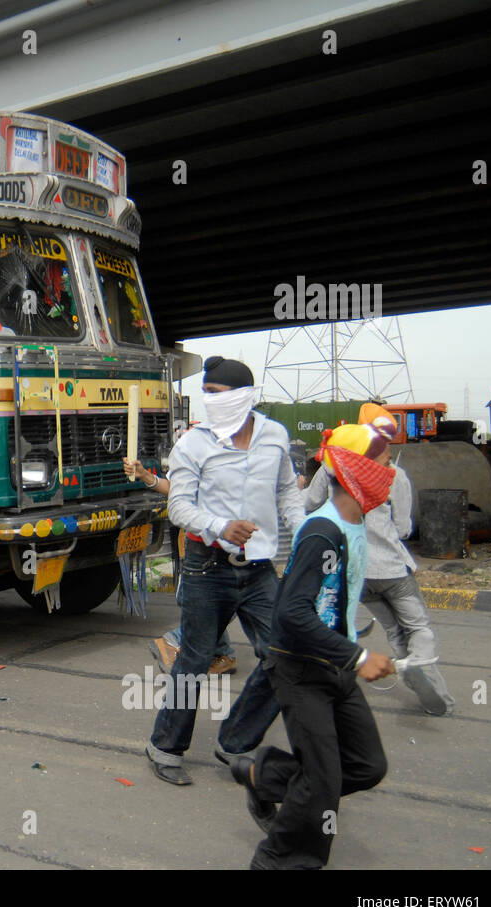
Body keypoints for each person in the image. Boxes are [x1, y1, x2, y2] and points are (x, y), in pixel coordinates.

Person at [238, 423, 394, 869]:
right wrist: (358, 657)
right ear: (354, 470)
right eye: (382, 465)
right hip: (302, 668)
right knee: (323, 784)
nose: (390, 474)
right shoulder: (321, 532)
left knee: (366, 766)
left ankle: (263, 776)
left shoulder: (356, 520)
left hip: (334, 662)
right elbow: (291, 614)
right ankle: (279, 860)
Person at [145, 357, 305, 786]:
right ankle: (165, 747)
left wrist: (307, 531)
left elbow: (287, 492)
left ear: (244, 396)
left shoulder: (274, 436)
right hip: (206, 567)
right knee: (195, 660)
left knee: (283, 655)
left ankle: (235, 740)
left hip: (258, 571)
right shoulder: (193, 444)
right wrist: (221, 527)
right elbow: (178, 507)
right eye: (207, 394)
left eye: (217, 394)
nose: (209, 401)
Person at [305, 403, 454, 717]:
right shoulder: (393, 473)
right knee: (417, 627)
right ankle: (426, 678)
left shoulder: (331, 467)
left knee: (395, 633)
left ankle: (414, 673)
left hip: (357, 573)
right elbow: (403, 528)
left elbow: (309, 505)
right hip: (392, 569)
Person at [125, 458, 237, 676]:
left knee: (230, 600)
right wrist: (147, 477)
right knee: (192, 599)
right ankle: (221, 653)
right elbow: (176, 492)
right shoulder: (194, 447)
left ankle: (191, 641)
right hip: (200, 545)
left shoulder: (247, 448)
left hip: (239, 544)